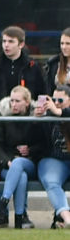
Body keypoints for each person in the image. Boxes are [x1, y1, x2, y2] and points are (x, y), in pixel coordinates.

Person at [0, 86, 47, 228]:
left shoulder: (35, 118)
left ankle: (3, 204)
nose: (13, 104)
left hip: (30, 162)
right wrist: (7, 161)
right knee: (20, 175)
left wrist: (30, 150)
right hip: (8, 164)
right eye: (11, 101)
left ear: (27, 102)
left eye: (17, 101)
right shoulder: (3, 117)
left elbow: (44, 143)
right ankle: (20, 218)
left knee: (19, 164)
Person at [0, 25, 45, 115]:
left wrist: (37, 111)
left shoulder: (32, 67)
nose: (6, 45)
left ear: (21, 44)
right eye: (4, 41)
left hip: (27, 120)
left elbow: (42, 93)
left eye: (11, 41)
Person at [35, 85, 70, 228]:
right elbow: (36, 141)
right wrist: (37, 119)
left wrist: (61, 113)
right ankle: (67, 218)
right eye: (53, 99)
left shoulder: (60, 112)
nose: (56, 103)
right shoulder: (49, 117)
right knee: (51, 181)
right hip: (55, 160)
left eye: (60, 100)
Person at [44, 27, 70, 95]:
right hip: (55, 103)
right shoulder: (53, 63)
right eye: (62, 43)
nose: (64, 47)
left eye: (68, 43)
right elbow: (48, 89)